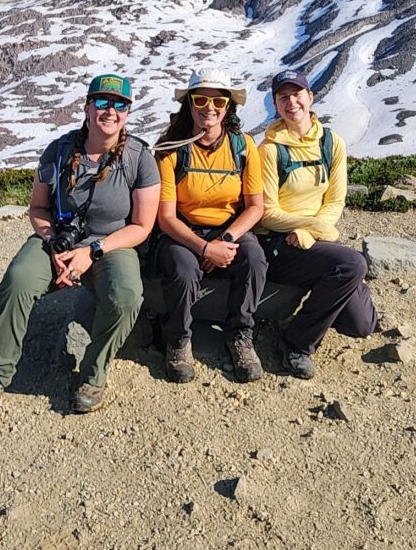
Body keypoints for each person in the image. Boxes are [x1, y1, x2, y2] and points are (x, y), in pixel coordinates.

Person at [0, 73, 161, 433]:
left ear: (128, 113)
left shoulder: (140, 158)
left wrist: (93, 252)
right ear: (86, 108)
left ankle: (94, 373)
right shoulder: (59, 150)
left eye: (119, 105)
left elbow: (142, 226)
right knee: (19, 277)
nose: (109, 111)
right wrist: (53, 244)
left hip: (111, 245)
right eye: (101, 102)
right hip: (59, 243)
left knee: (127, 295)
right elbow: (38, 208)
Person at [257, 69, 377, 380]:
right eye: (283, 97)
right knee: (353, 264)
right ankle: (297, 343)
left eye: (297, 94)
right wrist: (309, 229)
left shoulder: (331, 143)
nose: (291, 101)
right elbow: (268, 212)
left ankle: (330, 293)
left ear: (311, 98)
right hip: (279, 242)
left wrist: (313, 232)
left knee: (360, 326)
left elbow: (335, 201)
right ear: (275, 104)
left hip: (314, 239)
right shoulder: (269, 150)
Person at [155, 68, 267, 384]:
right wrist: (204, 248)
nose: (210, 107)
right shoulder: (170, 149)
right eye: (201, 99)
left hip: (229, 229)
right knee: (183, 269)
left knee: (254, 259)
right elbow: (166, 217)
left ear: (228, 107)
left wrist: (226, 241)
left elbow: (256, 206)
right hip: (182, 230)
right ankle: (178, 340)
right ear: (189, 104)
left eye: (218, 101)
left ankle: (240, 335)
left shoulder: (244, 146)